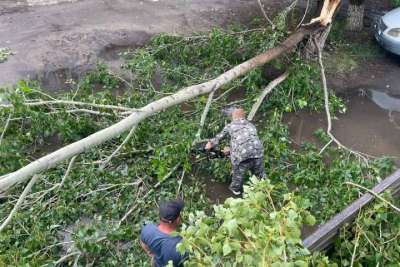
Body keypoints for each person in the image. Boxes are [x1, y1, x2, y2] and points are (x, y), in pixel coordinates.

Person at [205, 107, 265, 195]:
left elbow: (219, 138)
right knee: (260, 175)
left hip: (242, 157)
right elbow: (247, 139)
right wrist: (231, 149)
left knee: (238, 176)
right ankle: (264, 189)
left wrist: (209, 144)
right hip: (258, 153)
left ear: (234, 117)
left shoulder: (230, 126)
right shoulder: (250, 125)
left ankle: (235, 191)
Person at [140, 199, 187, 267]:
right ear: (178, 219)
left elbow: (142, 242)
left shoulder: (148, 230)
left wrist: (151, 253)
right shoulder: (181, 246)